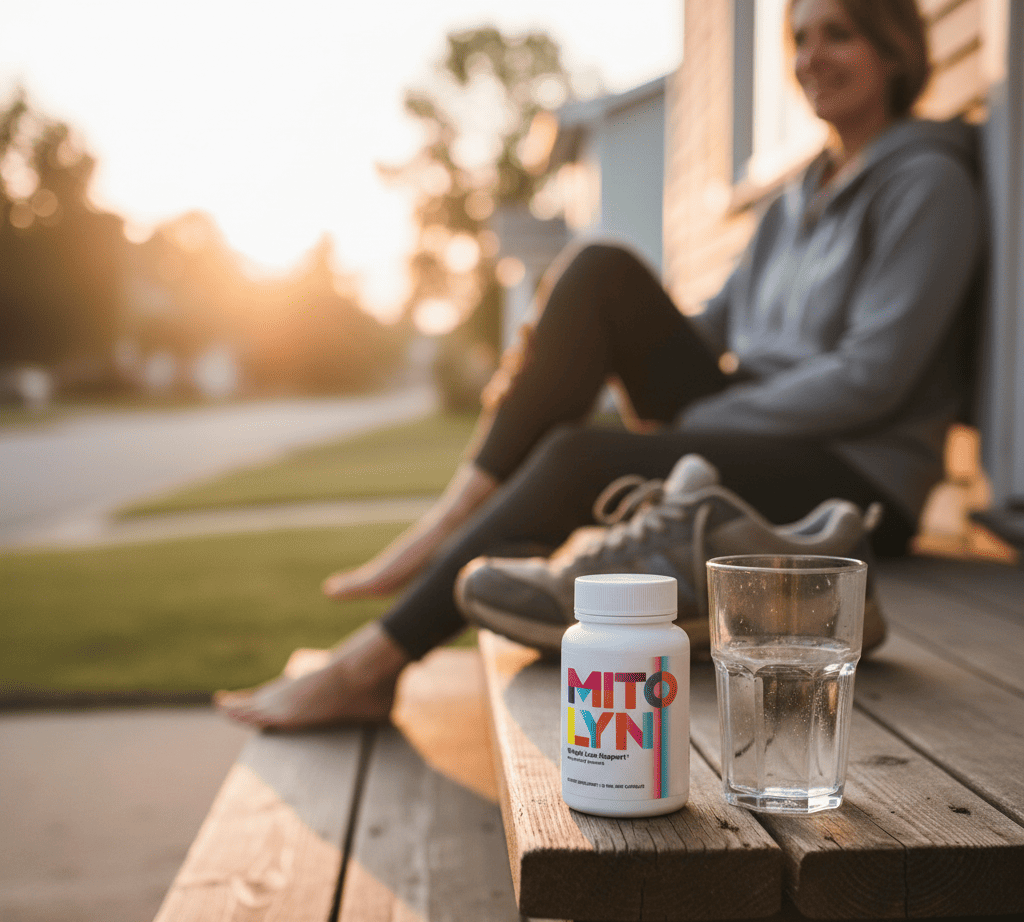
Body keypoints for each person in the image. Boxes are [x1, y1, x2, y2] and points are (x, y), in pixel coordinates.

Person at [216, 0, 983, 730]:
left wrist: (693, 423)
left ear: (894, 49)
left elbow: (873, 378)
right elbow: (710, 325)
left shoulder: (929, 182)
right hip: (754, 425)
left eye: (837, 34)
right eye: (799, 38)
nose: (811, 57)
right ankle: (455, 515)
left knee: (581, 459)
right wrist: (607, 360)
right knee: (599, 271)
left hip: (853, 474)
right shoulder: (794, 198)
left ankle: (369, 668)